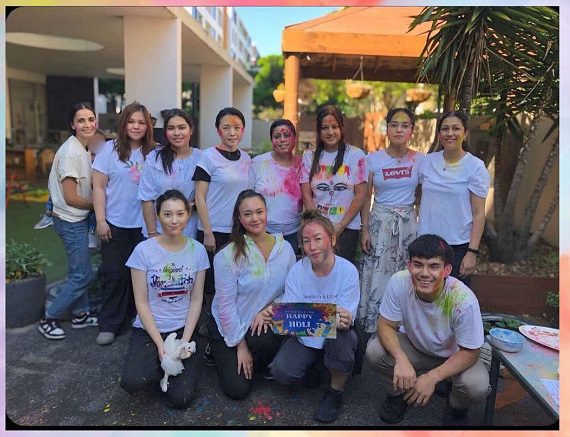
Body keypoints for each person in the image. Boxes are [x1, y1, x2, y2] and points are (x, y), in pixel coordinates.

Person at [365, 234, 489, 425]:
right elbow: (385, 325)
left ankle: (456, 407)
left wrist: (432, 377)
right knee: (375, 351)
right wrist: (400, 358)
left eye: (433, 266)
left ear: (447, 270)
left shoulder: (463, 300)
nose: (424, 273)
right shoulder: (399, 282)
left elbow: (471, 352)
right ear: (409, 266)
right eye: (418, 264)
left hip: (453, 355)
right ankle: (398, 395)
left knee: (477, 385)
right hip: (416, 348)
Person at [120, 190, 208, 409]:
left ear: (188, 214)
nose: (174, 220)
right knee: (132, 382)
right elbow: (141, 302)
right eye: (167, 214)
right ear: (158, 215)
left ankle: (174, 365)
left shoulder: (198, 251)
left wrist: (184, 341)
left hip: (183, 329)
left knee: (181, 399)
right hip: (151, 329)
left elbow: (196, 300)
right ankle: (158, 363)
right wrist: (161, 345)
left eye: (180, 213)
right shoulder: (143, 251)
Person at [271, 210, 360, 423]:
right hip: (305, 337)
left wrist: (304, 315)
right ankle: (317, 365)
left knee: (344, 338)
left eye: (318, 239)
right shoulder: (297, 270)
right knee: (281, 371)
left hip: (336, 336)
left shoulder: (348, 271)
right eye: (306, 241)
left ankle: (336, 391)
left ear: (332, 239)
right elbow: (289, 318)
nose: (312, 246)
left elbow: (344, 321)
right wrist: (327, 314)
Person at [209, 190, 296, 399]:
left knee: (266, 340)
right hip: (231, 324)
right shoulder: (228, 255)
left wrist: (271, 308)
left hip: (263, 321)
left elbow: (292, 291)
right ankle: (217, 349)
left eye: (259, 212)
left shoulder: (285, 249)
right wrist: (240, 346)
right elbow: (225, 306)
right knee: (237, 390)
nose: (255, 218)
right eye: (248, 214)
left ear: (266, 213)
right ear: (239, 218)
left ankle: (261, 358)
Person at [92, 102, 155, 346]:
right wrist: (101, 220)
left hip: (146, 226)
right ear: (124, 124)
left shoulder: (154, 152)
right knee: (114, 274)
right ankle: (109, 324)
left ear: (147, 126)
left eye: (141, 122)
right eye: (131, 122)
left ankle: (139, 320)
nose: (136, 126)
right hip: (115, 223)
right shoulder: (109, 150)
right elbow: (98, 187)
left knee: (142, 277)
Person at [192, 107, 251, 364]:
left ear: (242, 130)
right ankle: (211, 338)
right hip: (213, 232)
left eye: (236, 127)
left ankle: (232, 335)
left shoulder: (246, 159)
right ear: (218, 130)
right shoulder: (207, 157)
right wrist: (207, 232)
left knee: (234, 287)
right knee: (212, 288)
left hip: (238, 233)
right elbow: (199, 197)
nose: (232, 132)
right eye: (226, 127)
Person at [358, 108, 424, 334]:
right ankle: (372, 329)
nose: (399, 130)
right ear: (387, 128)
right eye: (394, 124)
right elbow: (365, 197)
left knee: (405, 274)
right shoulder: (372, 159)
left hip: (407, 226)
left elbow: (421, 195)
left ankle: (402, 327)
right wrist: (364, 230)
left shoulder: (420, 161)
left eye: (405, 125)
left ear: (411, 130)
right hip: (380, 224)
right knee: (377, 275)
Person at [39, 102, 99, 340]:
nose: (87, 124)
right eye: (81, 120)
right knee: (82, 275)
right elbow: (71, 197)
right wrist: (99, 206)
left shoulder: (83, 147)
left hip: (75, 219)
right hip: (70, 221)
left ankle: (80, 314)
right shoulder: (71, 153)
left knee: (78, 270)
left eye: (90, 119)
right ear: (72, 124)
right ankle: (49, 317)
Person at [418, 111, 490, 286]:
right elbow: (417, 198)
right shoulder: (427, 162)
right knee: (425, 295)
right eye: (445, 129)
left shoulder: (476, 167)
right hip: (425, 244)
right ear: (439, 134)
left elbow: (479, 214)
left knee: (454, 298)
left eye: (456, 128)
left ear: (466, 133)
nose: (450, 133)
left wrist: (472, 252)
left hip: (458, 247)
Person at [300, 105, 368, 265]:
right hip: (317, 231)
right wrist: (318, 225)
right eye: (325, 128)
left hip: (347, 230)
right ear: (319, 130)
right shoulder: (309, 157)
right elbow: (306, 194)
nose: (330, 132)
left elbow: (361, 195)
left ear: (341, 128)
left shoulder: (355, 155)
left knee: (342, 273)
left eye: (334, 127)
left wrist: (340, 226)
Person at [138, 108, 201, 239]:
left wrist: (190, 205)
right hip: (159, 232)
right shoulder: (154, 158)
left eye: (182, 127)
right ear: (165, 132)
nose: (176, 133)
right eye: (171, 128)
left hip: (190, 232)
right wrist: (152, 233)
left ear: (191, 130)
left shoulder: (202, 159)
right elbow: (147, 198)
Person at [34, 129, 106, 237]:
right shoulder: (81, 154)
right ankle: (48, 214)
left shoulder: (101, 158)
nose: (98, 146)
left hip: (90, 191)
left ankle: (92, 230)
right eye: (95, 142)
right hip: (76, 200)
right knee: (55, 194)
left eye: (101, 143)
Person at [249, 119, 302, 251]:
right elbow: (247, 197)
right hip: (263, 232)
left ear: (295, 138)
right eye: (277, 136)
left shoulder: (302, 165)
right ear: (272, 140)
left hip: (294, 234)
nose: (282, 139)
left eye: (287, 135)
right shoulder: (258, 163)